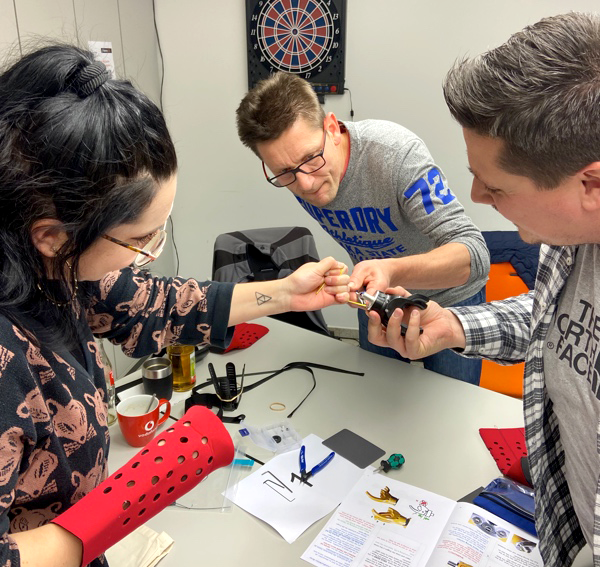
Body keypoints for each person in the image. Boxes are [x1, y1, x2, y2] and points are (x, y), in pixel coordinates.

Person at [0, 45, 349, 567]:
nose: (150, 256)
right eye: (141, 240)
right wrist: (134, 493)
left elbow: (161, 306)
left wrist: (286, 294)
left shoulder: (55, 270)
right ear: (52, 234)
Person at [366, 12, 600, 566]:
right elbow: (552, 320)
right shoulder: (571, 235)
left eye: (496, 186)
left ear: (590, 183)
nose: (474, 195)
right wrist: (454, 326)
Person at [236, 72, 490, 385]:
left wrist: (391, 270)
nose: (306, 183)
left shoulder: (396, 155)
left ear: (331, 127)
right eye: (285, 173)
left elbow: (475, 256)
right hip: (375, 299)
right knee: (375, 397)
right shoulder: (303, 174)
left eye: (311, 160)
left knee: (453, 408)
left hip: (451, 301)